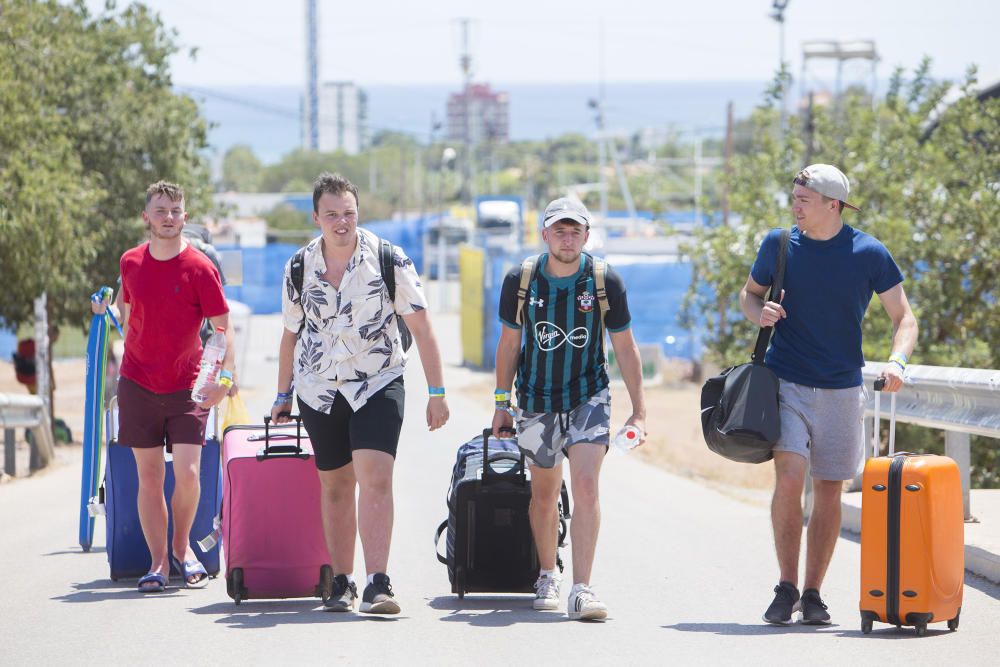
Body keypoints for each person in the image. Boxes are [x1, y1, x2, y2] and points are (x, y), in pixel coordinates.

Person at [739, 164, 917, 625]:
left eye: (803, 199)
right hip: (787, 381)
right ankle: (786, 586)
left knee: (829, 492)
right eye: (794, 196)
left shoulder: (868, 252)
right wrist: (760, 313)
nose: (794, 205)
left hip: (842, 387)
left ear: (832, 204)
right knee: (791, 479)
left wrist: (896, 362)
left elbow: (905, 318)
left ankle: (814, 594)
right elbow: (748, 295)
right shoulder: (778, 245)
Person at [271, 172, 449, 614]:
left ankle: (377, 582)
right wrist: (282, 395)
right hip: (319, 389)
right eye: (331, 214)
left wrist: (437, 391)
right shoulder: (298, 267)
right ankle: (342, 581)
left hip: (378, 381)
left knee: (375, 477)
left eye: (348, 213)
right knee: (335, 485)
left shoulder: (389, 259)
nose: (341, 222)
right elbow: (290, 335)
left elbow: (422, 329)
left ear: (357, 214)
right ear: (316, 217)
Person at [492, 197, 647, 621]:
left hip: (588, 397)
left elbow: (625, 347)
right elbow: (509, 346)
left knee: (586, 486)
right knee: (543, 494)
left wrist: (639, 409)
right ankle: (547, 574)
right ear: (544, 235)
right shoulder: (521, 279)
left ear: (586, 235)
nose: (566, 238)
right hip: (536, 400)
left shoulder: (603, 280)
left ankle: (582, 588)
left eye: (574, 230)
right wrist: (501, 405)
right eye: (558, 230)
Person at [92, 181, 235, 593]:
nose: (168, 217)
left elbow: (223, 329)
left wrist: (224, 379)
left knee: (189, 475)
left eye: (175, 210)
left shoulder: (200, 268)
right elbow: (128, 308)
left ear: (185, 218)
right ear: (147, 217)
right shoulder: (130, 262)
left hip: (189, 386)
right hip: (138, 383)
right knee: (149, 478)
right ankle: (157, 562)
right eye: (161, 210)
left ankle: (182, 548)